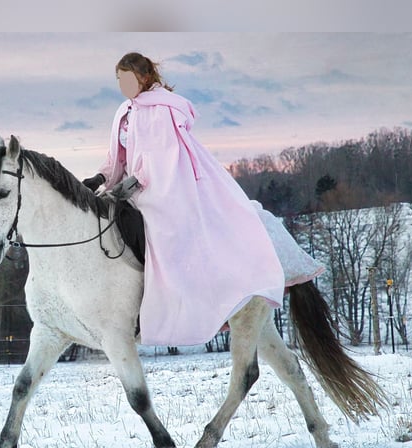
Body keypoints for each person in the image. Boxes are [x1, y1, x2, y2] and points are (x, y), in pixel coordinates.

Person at [82, 52, 287, 347]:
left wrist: (133, 182)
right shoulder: (124, 111)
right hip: (132, 186)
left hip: (166, 187)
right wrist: (101, 178)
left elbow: (163, 158)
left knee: (159, 233)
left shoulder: (164, 109)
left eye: (127, 78)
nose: (122, 85)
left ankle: (166, 303)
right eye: (118, 79)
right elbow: (117, 158)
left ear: (145, 77)